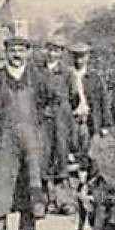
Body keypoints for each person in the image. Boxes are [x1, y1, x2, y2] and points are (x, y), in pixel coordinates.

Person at [0, 25, 66, 230]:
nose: (17, 54)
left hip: (32, 139)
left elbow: (56, 98)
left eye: (21, 50)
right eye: (13, 50)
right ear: (6, 53)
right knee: (0, 181)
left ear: (28, 53)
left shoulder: (38, 78)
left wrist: (43, 120)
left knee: (31, 181)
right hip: (3, 139)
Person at [31, 32, 76, 212]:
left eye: (56, 50)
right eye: (50, 49)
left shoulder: (67, 73)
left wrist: (62, 110)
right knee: (42, 157)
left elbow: (74, 97)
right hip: (41, 117)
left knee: (61, 156)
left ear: (62, 52)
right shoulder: (36, 70)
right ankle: (42, 201)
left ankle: (64, 201)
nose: (52, 54)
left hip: (61, 118)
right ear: (45, 50)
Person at [64, 40, 112, 163]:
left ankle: (90, 178)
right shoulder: (67, 76)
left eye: (82, 56)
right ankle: (77, 179)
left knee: (91, 152)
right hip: (73, 119)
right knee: (74, 149)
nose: (79, 60)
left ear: (87, 57)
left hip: (90, 118)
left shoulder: (95, 77)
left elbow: (104, 100)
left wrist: (106, 124)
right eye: (76, 56)